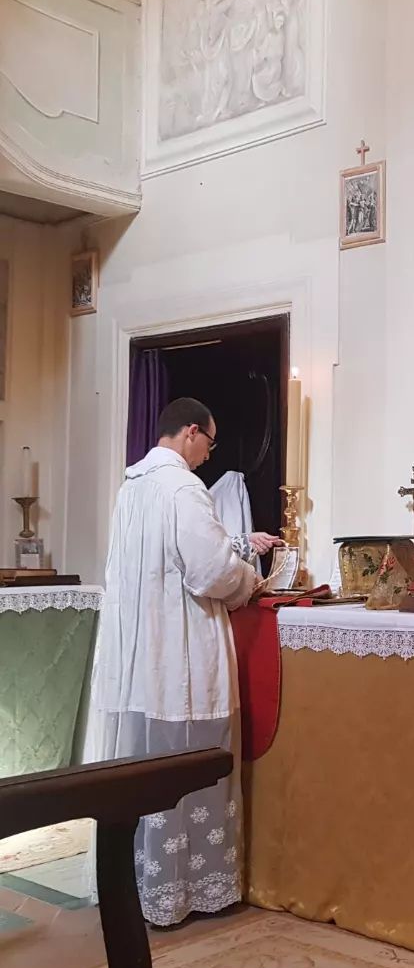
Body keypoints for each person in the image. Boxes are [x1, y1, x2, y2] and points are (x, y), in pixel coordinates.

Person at [87, 397, 281, 926]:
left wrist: (234, 549)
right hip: (180, 647)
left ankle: (138, 881)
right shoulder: (183, 487)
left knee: (142, 767)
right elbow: (210, 571)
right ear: (191, 432)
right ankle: (187, 888)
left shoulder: (133, 486)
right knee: (189, 761)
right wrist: (251, 579)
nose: (208, 456)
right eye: (209, 444)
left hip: (139, 653)